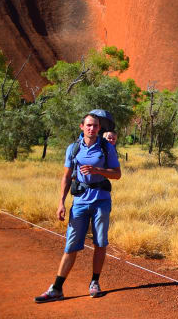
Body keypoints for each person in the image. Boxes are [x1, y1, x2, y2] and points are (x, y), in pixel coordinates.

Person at [34, 109, 121, 303]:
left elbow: (117, 174)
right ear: (82, 127)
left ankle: (95, 283)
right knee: (71, 244)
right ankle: (57, 288)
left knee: (100, 242)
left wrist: (97, 170)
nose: (92, 128)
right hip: (80, 201)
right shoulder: (73, 148)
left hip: (101, 200)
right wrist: (61, 202)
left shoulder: (106, 147)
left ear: (99, 128)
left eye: (95, 126)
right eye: (88, 125)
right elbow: (66, 176)